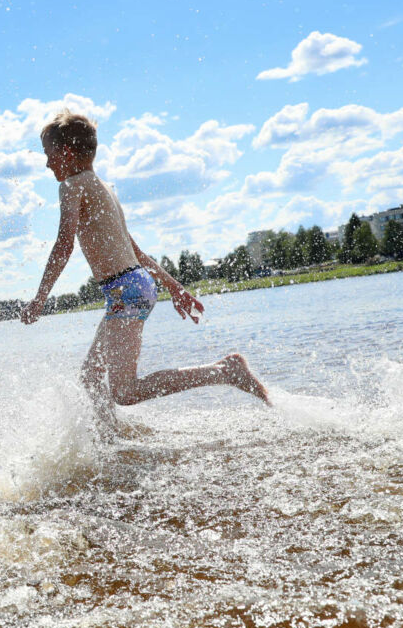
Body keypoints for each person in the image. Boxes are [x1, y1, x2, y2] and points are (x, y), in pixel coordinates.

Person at [21, 110, 269, 417]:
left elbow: (63, 244)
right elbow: (135, 251)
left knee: (124, 392)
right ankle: (112, 448)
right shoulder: (103, 188)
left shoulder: (73, 185)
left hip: (125, 289)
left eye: (48, 155)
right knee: (90, 378)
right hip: (132, 286)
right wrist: (175, 287)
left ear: (67, 152)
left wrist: (40, 298)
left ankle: (224, 371)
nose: (46, 163)